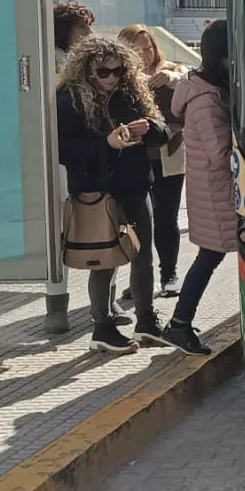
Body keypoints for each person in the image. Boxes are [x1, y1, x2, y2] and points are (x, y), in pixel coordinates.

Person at [56, 37, 170, 354]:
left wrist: (151, 127)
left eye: (118, 71)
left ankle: (146, 321)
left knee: (143, 255)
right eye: (103, 72)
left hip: (134, 184)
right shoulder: (68, 100)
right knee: (104, 260)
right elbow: (65, 150)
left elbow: (162, 130)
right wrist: (108, 143)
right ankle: (102, 327)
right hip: (97, 191)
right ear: (87, 70)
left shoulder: (129, 92)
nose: (111, 78)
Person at [161, 21, 234, 356]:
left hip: (214, 191)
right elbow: (219, 153)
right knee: (209, 257)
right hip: (216, 193)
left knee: (210, 257)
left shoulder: (208, 89)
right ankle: (179, 324)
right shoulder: (205, 99)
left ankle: (179, 322)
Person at [119, 24, 189, 298]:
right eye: (137, 50)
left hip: (169, 154)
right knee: (136, 219)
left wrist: (170, 77)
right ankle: (141, 278)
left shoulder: (172, 69)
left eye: (148, 48)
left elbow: (189, 81)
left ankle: (169, 273)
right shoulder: (122, 77)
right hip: (135, 156)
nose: (145, 54)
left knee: (166, 217)